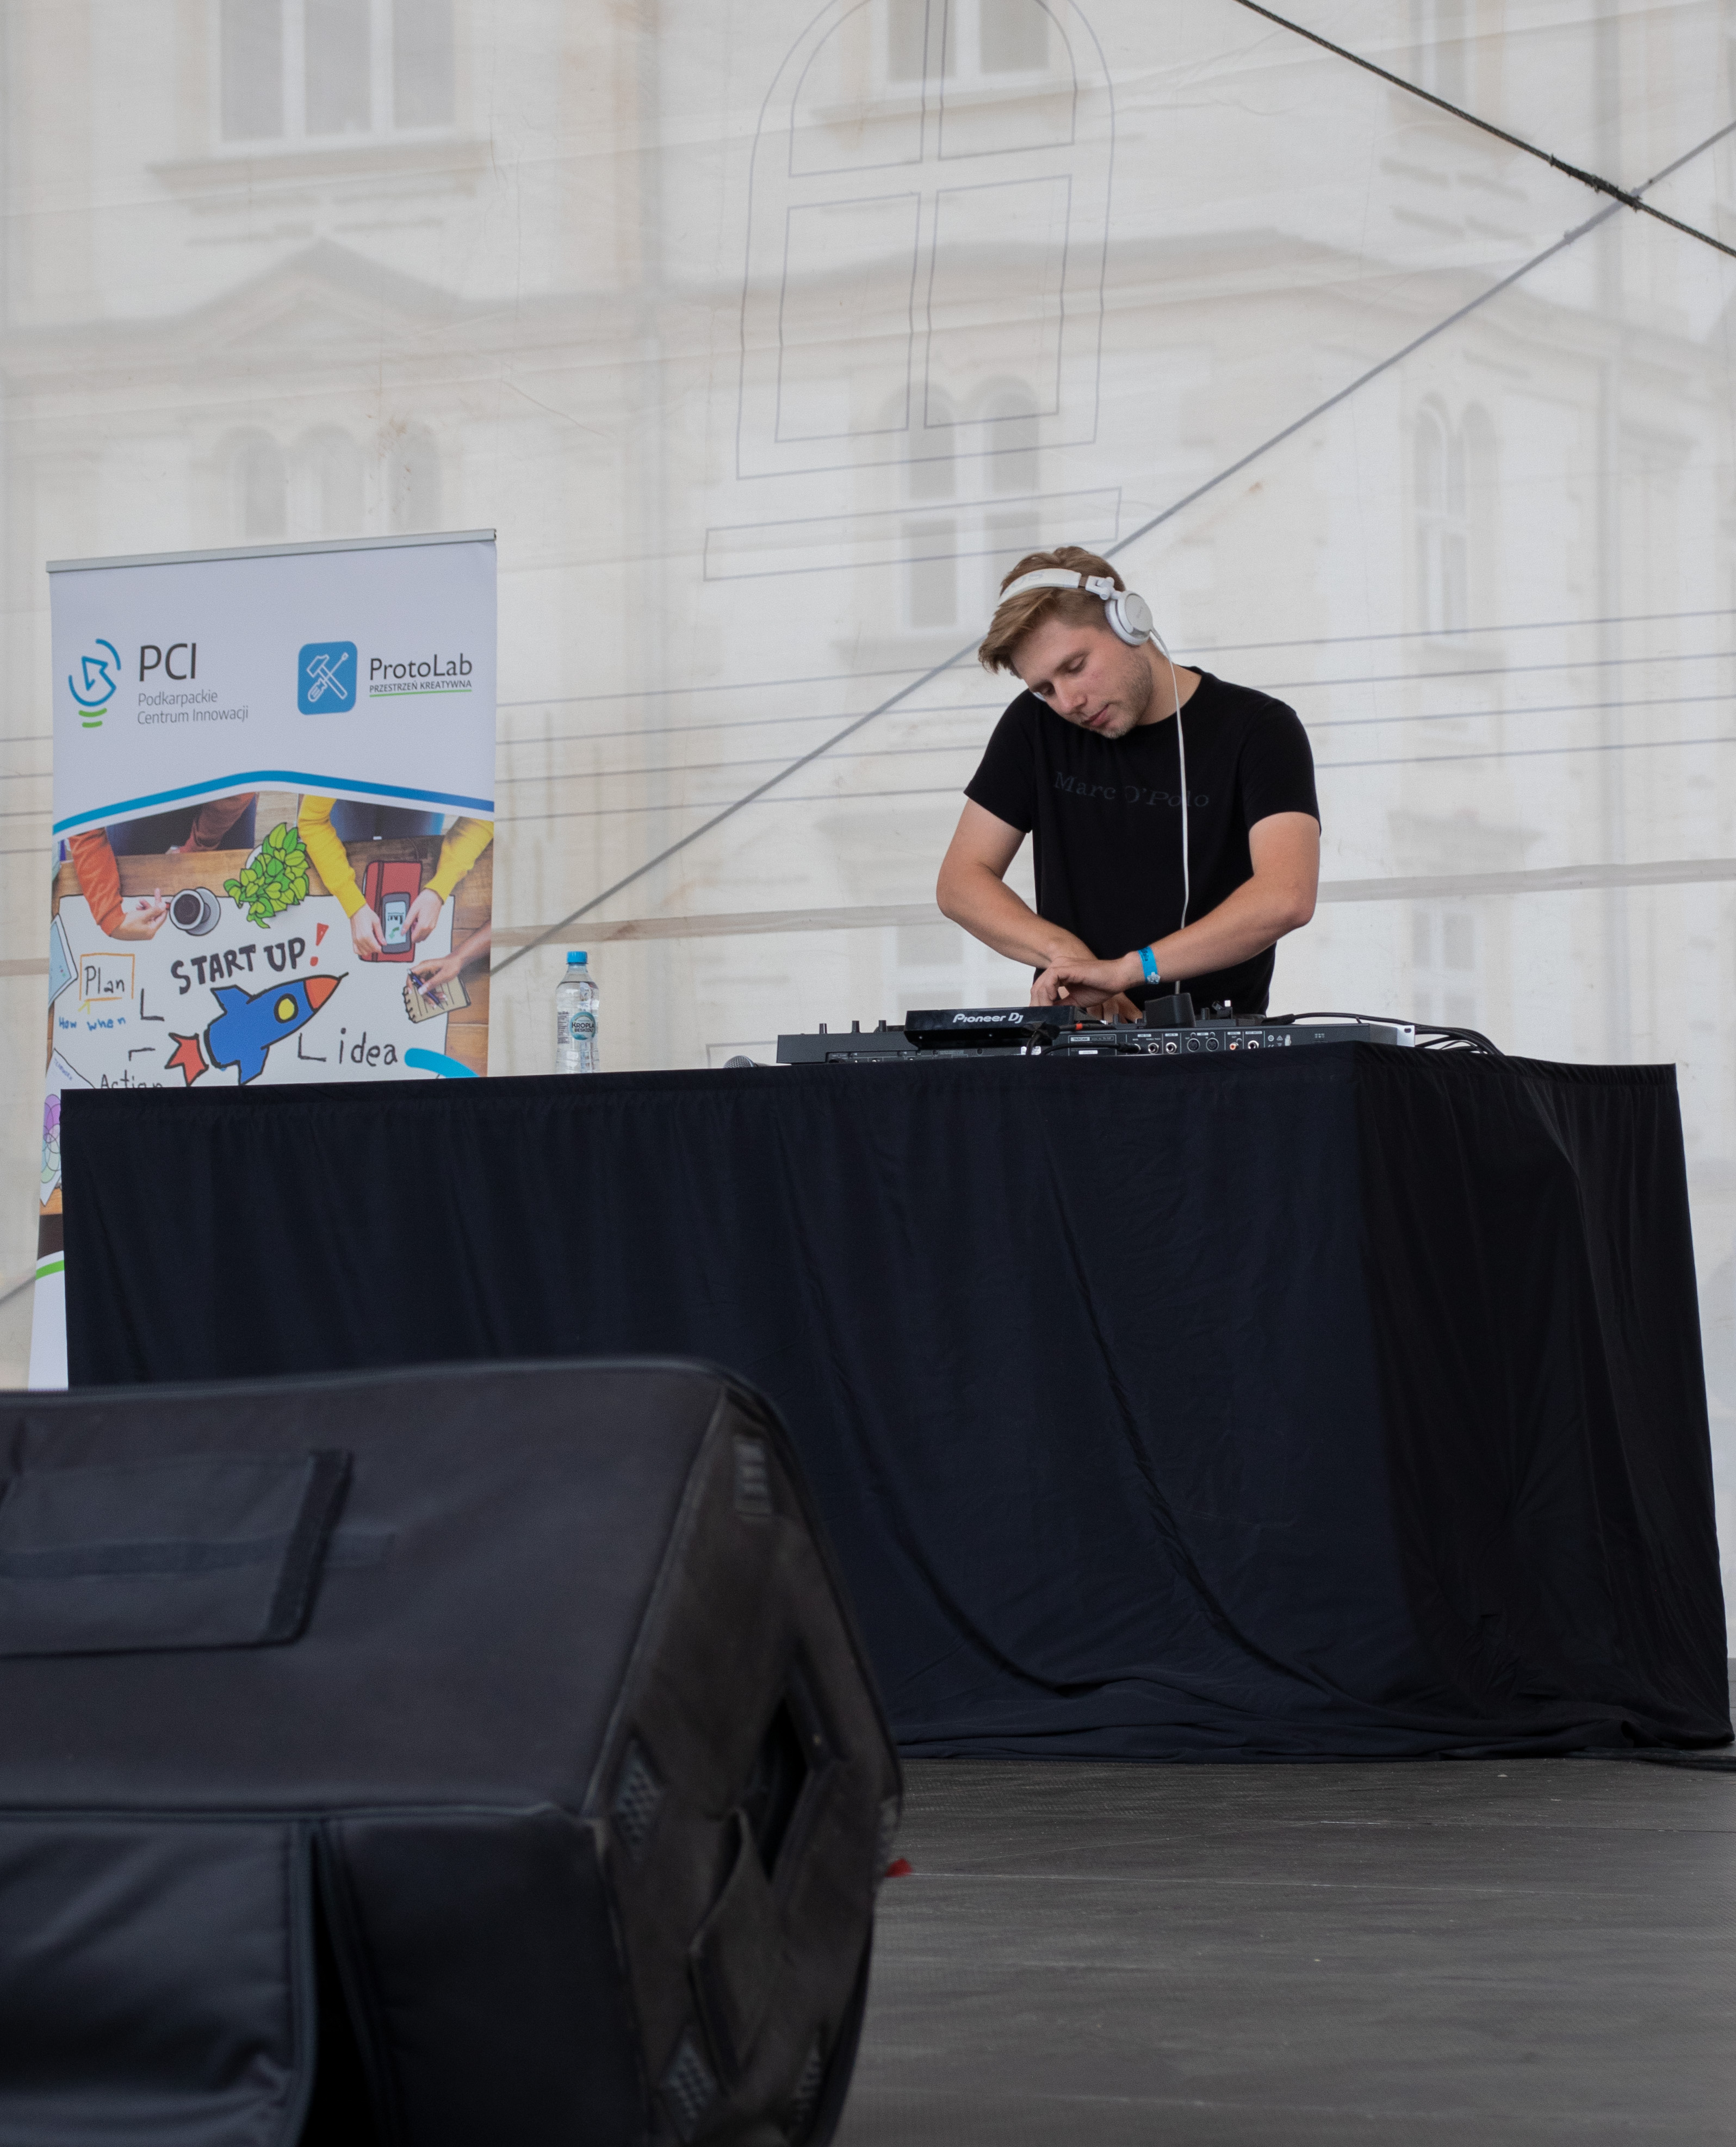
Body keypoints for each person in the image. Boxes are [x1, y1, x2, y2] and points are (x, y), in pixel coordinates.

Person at [937, 548, 1319, 1019]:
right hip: (1075, 1045)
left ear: (1129, 623)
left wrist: (1126, 972)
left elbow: (1286, 896)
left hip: (1219, 1053)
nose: (1068, 702)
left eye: (1075, 666)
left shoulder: (1260, 729)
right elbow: (960, 883)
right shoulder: (1033, 726)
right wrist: (1067, 956)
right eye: (1045, 689)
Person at [297, 798, 494, 960]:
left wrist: (440, 887)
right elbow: (313, 822)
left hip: (419, 798)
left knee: (414, 858)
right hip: (347, 793)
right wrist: (351, 902)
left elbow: (486, 810)